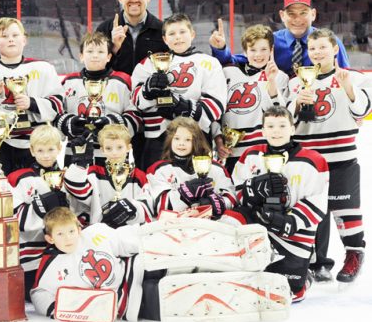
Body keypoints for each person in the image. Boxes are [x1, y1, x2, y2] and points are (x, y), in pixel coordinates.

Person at [286, 29, 371, 283]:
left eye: (322, 47)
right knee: (312, 211)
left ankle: (354, 253)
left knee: (344, 207)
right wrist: (298, 103)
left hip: (341, 155)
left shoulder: (352, 77)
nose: (317, 53)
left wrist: (349, 89)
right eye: (312, 49)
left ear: (335, 49)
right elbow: (287, 122)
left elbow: (363, 111)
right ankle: (313, 262)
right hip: (309, 159)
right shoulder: (296, 82)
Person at [223, 106, 329, 302]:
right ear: (262, 130)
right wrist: (252, 188)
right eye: (270, 126)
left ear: (292, 129)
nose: (276, 131)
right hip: (257, 228)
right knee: (229, 219)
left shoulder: (314, 160)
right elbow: (235, 194)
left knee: (288, 293)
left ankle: (303, 276)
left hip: (293, 237)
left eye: (282, 125)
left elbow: (318, 202)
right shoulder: (250, 155)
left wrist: (288, 222)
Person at [0, 17, 64, 175]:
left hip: (36, 144)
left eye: (15, 35)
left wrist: (32, 103)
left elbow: (58, 104)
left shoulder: (43, 68)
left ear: (24, 40)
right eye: (4, 36)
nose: (10, 40)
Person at [132, 13, 226, 170]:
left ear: (192, 34)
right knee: (156, 187)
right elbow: (135, 100)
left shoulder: (209, 63)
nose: (178, 37)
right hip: (157, 138)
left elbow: (216, 105)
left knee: (197, 186)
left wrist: (182, 106)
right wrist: (148, 90)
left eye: (182, 32)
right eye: (172, 34)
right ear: (164, 39)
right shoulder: (149, 63)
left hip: (196, 137)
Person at [30, 207, 142, 320]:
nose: (68, 238)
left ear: (79, 230)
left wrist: (154, 230)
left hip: (138, 271)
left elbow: (126, 238)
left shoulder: (95, 232)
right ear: (50, 239)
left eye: (71, 231)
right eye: (60, 234)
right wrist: (57, 310)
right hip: (125, 304)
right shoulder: (50, 264)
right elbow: (38, 293)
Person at [209, 0, 349, 76]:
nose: (297, 19)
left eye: (303, 13)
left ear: (313, 14)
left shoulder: (330, 42)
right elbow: (237, 62)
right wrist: (221, 49)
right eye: (291, 14)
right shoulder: (270, 41)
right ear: (282, 15)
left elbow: (346, 74)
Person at [57, 31, 142, 166]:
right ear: (81, 56)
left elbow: (136, 117)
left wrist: (112, 123)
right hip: (76, 152)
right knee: (76, 186)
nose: (95, 55)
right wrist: (68, 124)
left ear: (109, 57)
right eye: (90, 51)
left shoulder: (122, 81)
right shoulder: (69, 82)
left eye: (101, 52)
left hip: (114, 153)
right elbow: (56, 114)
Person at [213, 24, 289, 173]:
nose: (258, 55)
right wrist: (218, 140)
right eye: (253, 50)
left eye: (263, 49)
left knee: (268, 195)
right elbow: (216, 111)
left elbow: (280, 115)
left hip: (265, 151)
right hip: (232, 152)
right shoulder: (227, 73)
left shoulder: (280, 77)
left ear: (271, 50)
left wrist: (271, 81)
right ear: (245, 51)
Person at [7, 125, 68, 301]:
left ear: (59, 148)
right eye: (40, 150)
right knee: (30, 296)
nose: (46, 155)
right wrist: (43, 203)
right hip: (30, 256)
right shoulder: (19, 178)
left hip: (61, 251)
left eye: (51, 149)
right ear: (32, 151)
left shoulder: (68, 176)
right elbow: (15, 217)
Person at [64, 124, 153, 228]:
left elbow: (147, 206)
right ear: (102, 150)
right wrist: (80, 166)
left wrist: (131, 211)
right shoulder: (94, 173)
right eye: (109, 148)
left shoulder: (139, 176)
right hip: (100, 233)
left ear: (129, 148)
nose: (114, 153)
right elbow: (79, 193)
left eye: (119, 147)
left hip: (130, 232)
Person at [146, 117, 235, 220]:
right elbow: (158, 206)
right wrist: (184, 193)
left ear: (196, 141)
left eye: (188, 139)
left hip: (211, 227)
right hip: (174, 227)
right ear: (170, 140)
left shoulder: (216, 168)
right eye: (177, 138)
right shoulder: (158, 169)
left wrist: (216, 203)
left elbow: (232, 198)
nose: (181, 143)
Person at [96, 0, 168, 76]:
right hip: (116, 91)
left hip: (149, 91)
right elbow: (96, 69)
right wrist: (114, 48)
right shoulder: (104, 29)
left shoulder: (162, 30)